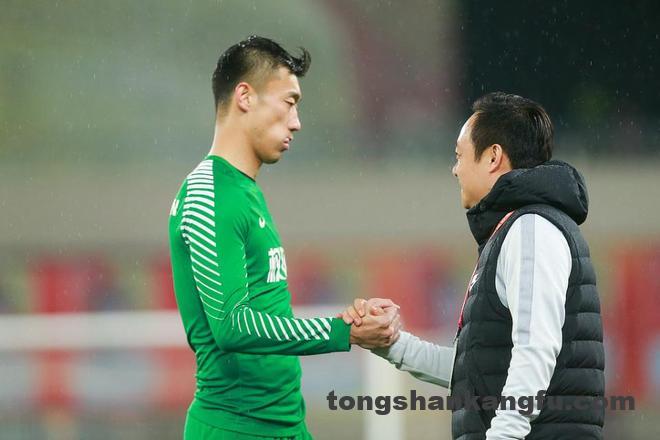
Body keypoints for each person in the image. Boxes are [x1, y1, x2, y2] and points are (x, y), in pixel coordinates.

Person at [168, 36, 400, 440]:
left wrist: (352, 321)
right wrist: (342, 332)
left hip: (285, 423)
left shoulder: (244, 190)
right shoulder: (209, 195)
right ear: (245, 96)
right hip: (234, 429)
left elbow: (266, 313)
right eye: (289, 102)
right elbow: (231, 325)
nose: (296, 122)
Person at [343, 92, 605, 439]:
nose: (455, 169)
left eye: (459, 156)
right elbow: (476, 373)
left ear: (493, 156)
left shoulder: (531, 228)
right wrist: (391, 344)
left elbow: (536, 350)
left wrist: (503, 435)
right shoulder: (514, 229)